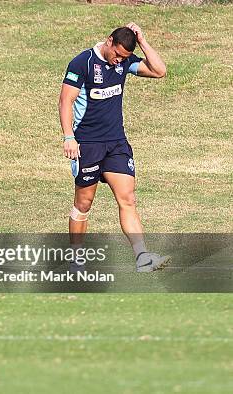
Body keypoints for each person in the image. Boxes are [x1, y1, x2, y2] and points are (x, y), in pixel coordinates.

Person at [58, 23, 169, 272]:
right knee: (84, 203)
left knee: (128, 199)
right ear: (109, 41)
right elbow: (66, 101)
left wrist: (141, 40)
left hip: (116, 143)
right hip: (87, 144)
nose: (119, 60)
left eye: (124, 57)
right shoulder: (82, 63)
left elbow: (159, 71)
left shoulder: (124, 63)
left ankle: (143, 258)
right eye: (117, 54)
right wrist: (68, 137)